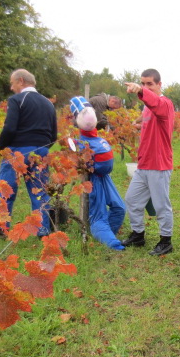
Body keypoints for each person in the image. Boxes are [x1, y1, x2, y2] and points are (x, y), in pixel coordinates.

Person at [0, 69, 57, 237]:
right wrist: (43, 148)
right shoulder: (49, 104)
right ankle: (43, 229)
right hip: (42, 151)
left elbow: (10, 128)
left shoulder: (17, 100)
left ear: (20, 81)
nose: (11, 88)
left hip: (18, 151)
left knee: (6, 188)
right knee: (40, 191)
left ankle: (0, 227)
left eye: (12, 83)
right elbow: (54, 135)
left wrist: (0, 147)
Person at [122, 69, 175, 255]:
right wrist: (137, 124)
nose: (146, 87)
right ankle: (138, 235)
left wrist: (140, 91)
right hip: (143, 164)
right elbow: (149, 116)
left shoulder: (165, 104)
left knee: (161, 205)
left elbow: (155, 103)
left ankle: (166, 241)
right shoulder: (147, 107)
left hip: (159, 165)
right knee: (132, 200)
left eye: (150, 84)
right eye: (143, 84)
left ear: (160, 84)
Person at [75, 106, 126, 250]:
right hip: (94, 179)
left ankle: (107, 234)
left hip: (104, 177)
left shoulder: (94, 138)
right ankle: (111, 241)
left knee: (119, 207)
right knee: (98, 217)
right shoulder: (82, 142)